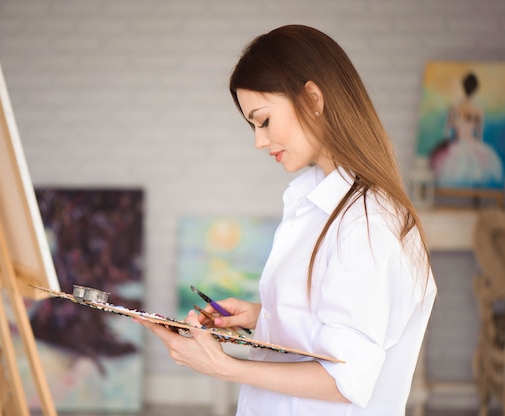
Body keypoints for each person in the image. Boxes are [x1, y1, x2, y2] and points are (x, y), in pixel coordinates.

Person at [136, 24, 437, 416]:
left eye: (263, 121)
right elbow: (341, 325)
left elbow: (346, 379)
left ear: (312, 98)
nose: (259, 141)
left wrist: (224, 366)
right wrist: (265, 317)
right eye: (252, 126)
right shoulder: (317, 203)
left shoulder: (367, 222)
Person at [430, 71, 504, 188]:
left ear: (463, 86)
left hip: (456, 146)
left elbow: (447, 132)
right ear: (475, 89)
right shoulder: (478, 110)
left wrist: (457, 128)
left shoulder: (454, 107)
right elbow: (479, 136)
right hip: (471, 145)